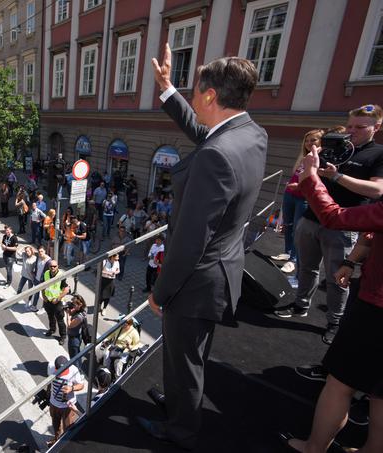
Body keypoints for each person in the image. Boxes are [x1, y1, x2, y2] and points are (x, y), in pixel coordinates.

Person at [140, 46, 267, 449]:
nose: (193, 96)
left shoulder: (216, 155)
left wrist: (161, 293)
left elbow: (190, 240)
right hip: (222, 271)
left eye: (195, 90)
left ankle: (181, 429)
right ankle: (179, 402)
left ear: (211, 96)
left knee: (186, 359)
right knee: (186, 356)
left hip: (195, 283)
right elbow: (204, 132)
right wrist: (167, 90)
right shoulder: (250, 134)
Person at [282, 141, 383, 453]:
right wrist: (352, 261)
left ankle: (314, 447)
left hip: (377, 309)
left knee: (340, 385)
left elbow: (335, 216)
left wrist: (311, 176)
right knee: (380, 394)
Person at [275, 104, 383, 345]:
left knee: (338, 277)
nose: (352, 131)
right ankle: (300, 304)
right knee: (306, 267)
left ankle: (335, 321)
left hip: (344, 224)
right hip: (312, 218)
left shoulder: (377, 154)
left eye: (360, 127)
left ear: (376, 127)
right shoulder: (335, 148)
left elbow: (378, 190)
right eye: (350, 125)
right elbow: (310, 177)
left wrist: (337, 176)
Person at [271, 129, 324, 273]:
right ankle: (288, 252)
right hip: (290, 194)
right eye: (307, 140)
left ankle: (293, 259)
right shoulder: (304, 157)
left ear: (321, 141)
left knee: (297, 228)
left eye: (313, 140)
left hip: (303, 198)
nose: (309, 143)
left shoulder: (321, 157)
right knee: (287, 225)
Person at [47, 355, 85, 447]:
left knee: (68, 428)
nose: (62, 373)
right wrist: (48, 392)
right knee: (55, 424)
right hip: (54, 403)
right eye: (60, 371)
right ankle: (56, 440)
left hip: (68, 406)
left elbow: (81, 385)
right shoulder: (50, 366)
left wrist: (71, 388)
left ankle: (66, 446)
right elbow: (49, 381)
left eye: (64, 371)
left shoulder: (73, 370)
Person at [42, 260, 69, 346]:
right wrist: (44, 296)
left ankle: (63, 336)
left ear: (58, 266)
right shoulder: (46, 273)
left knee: (60, 320)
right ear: (49, 267)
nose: (53, 268)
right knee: (50, 316)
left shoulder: (61, 275)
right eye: (51, 266)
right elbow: (43, 286)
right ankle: (52, 329)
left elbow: (66, 289)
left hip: (57, 302)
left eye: (55, 266)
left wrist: (58, 299)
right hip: (48, 300)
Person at [65, 295, 87, 359]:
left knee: (74, 358)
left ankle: (77, 368)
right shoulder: (82, 309)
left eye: (74, 305)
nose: (73, 307)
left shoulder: (79, 317)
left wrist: (67, 314)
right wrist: (69, 309)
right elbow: (73, 312)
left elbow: (69, 325)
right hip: (76, 335)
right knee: (76, 354)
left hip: (74, 339)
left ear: (80, 305)